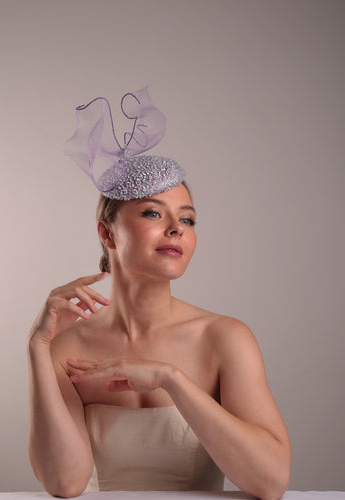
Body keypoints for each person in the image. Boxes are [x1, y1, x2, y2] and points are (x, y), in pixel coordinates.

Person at [27, 88, 291, 499]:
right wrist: (37, 346)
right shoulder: (66, 346)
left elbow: (271, 482)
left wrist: (171, 379)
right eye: (153, 212)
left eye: (187, 219)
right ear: (106, 232)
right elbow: (65, 482)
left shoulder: (225, 338)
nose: (176, 229)